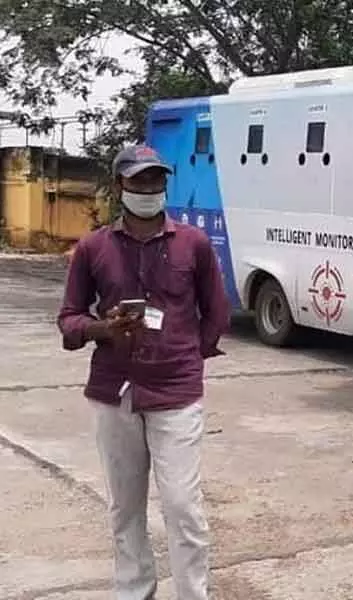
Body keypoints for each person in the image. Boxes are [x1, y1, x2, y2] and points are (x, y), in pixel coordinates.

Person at [56, 144, 230, 600]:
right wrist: (102, 328)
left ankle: (193, 594)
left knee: (182, 506)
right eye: (138, 181)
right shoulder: (94, 248)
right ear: (120, 187)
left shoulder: (193, 244)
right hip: (114, 392)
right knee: (125, 508)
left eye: (156, 180)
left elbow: (216, 311)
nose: (148, 189)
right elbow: (68, 320)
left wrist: (189, 355)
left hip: (176, 392)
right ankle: (135, 592)